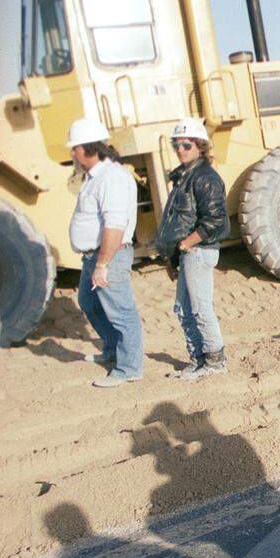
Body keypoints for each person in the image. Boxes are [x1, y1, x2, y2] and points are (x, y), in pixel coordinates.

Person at [67, 118, 144, 388]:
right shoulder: (94, 177)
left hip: (108, 257)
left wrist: (102, 264)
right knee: (89, 303)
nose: (72, 154)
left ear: (88, 148)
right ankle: (112, 350)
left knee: (121, 312)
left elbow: (115, 225)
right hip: (93, 257)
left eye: (74, 148)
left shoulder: (112, 177)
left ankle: (129, 368)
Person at [154, 118, 230, 380]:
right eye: (177, 144)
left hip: (198, 252)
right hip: (186, 254)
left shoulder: (206, 178)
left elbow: (216, 219)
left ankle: (215, 362)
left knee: (199, 308)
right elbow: (176, 221)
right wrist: (172, 257)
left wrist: (187, 243)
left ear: (199, 146)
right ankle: (197, 359)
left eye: (186, 144)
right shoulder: (183, 177)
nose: (180, 149)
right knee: (183, 309)